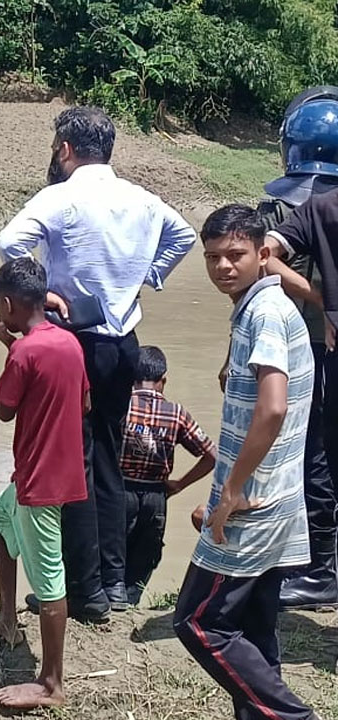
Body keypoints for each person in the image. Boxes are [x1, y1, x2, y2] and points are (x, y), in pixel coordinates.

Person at [0, 106, 198, 619]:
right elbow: (184, 236)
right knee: (108, 459)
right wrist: (146, 277)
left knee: (78, 463)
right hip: (124, 342)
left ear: (65, 148)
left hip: (75, 341)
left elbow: (9, 243)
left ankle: (83, 591)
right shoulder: (141, 198)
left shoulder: (60, 196)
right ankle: (112, 583)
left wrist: (46, 294)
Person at [174, 205, 316, 720]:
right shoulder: (261, 307)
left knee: (198, 623)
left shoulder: (265, 312)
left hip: (251, 501)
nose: (222, 268)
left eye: (235, 255)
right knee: (254, 626)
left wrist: (229, 490)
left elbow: (273, 405)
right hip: (275, 493)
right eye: (212, 258)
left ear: (263, 254)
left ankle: (293, 718)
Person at [0, 257, 90, 711]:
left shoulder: (25, 353)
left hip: (38, 481)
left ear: (7, 304)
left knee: (49, 581)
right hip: (58, 472)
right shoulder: (68, 342)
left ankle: (52, 684)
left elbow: (5, 409)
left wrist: (9, 351)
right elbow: (84, 403)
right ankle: (8, 617)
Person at [256, 87, 338, 610]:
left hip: (310, 356)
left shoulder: (311, 211)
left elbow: (266, 257)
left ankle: (322, 569)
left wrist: (319, 302)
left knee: (319, 460)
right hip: (316, 354)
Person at [120, 345, 217, 606]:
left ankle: (114, 599)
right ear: (163, 379)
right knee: (146, 553)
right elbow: (211, 456)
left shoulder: (121, 406)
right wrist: (179, 485)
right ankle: (131, 602)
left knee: (114, 548)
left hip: (119, 491)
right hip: (156, 494)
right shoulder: (176, 413)